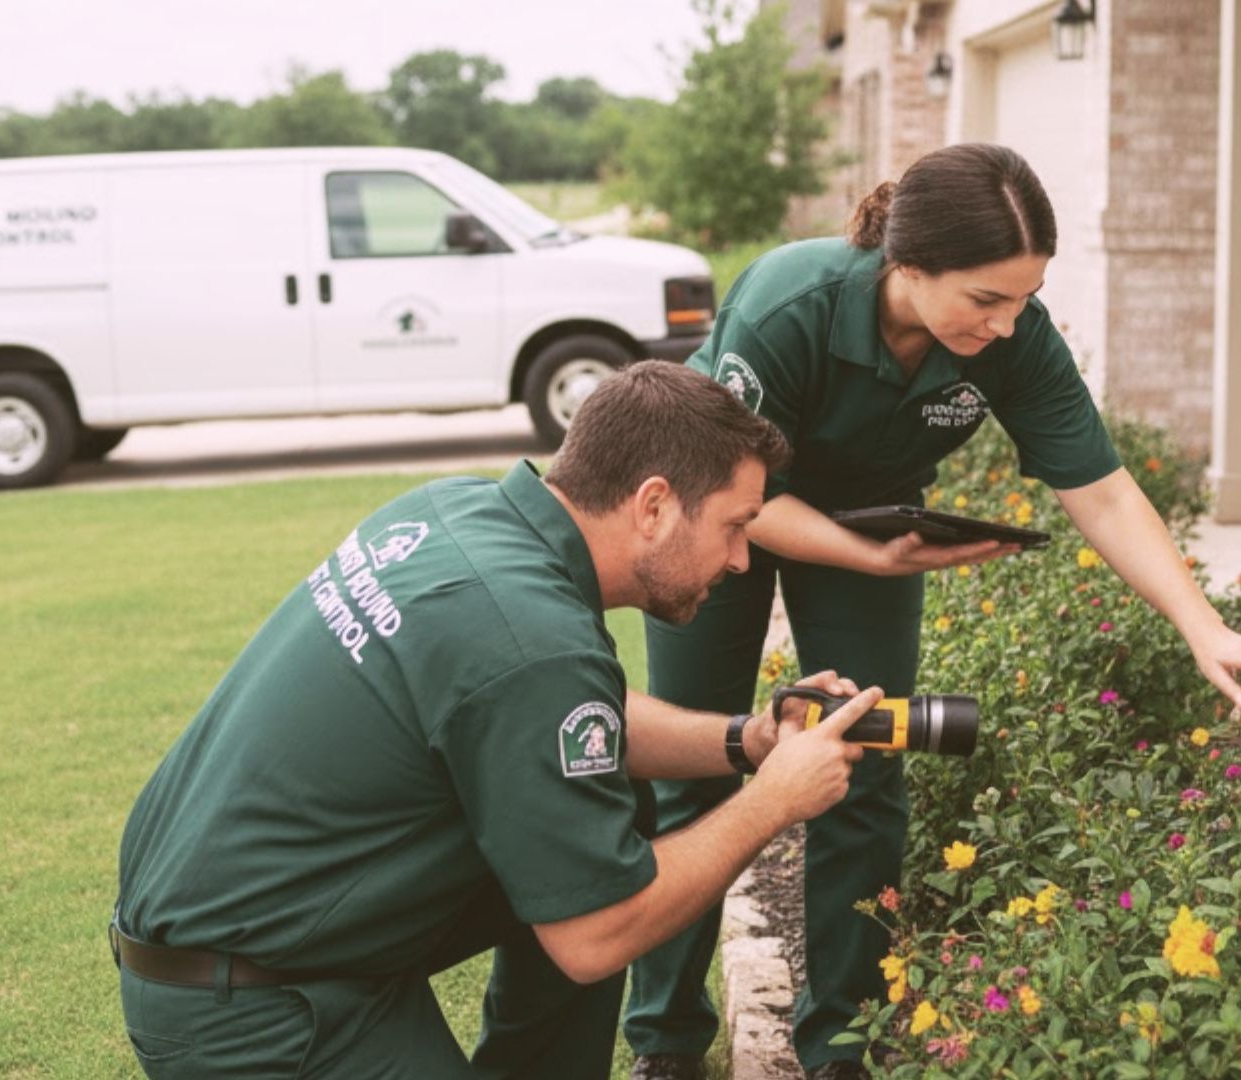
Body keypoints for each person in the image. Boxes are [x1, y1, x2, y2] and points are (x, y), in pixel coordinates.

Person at [622, 143, 1241, 1080]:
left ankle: (841, 1044)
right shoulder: (790, 303)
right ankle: (666, 1041)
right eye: (986, 300)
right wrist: (870, 551)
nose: (1007, 325)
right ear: (907, 268)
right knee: (696, 764)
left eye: (1025, 298)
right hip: (726, 516)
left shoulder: (1012, 338)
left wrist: (1202, 624)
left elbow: (1104, 491)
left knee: (864, 763)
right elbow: (738, 490)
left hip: (871, 529)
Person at [111, 360, 890, 1080]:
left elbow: (554, 714)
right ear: (653, 506)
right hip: (254, 1008)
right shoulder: (533, 643)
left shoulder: (459, 512)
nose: (741, 561)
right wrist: (774, 801)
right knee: (602, 892)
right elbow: (596, 936)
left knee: (613, 815)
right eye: (734, 524)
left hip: (262, 932)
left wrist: (746, 742)